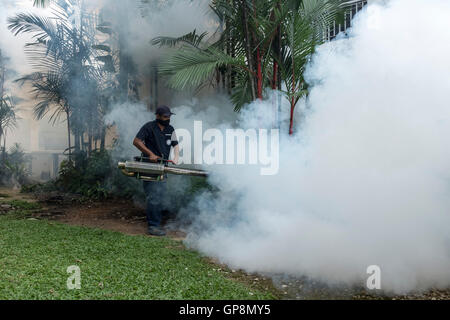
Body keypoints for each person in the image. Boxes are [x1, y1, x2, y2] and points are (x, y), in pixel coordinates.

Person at [133, 105, 179, 236]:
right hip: (149, 166)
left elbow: (176, 145)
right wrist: (150, 154)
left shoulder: (171, 129)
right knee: (154, 195)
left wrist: (176, 156)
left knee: (160, 194)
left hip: (163, 167)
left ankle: (156, 219)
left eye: (169, 116)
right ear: (157, 116)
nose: (168, 119)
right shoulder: (148, 127)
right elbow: (136, 141)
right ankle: (153, 226)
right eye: (165, 116)